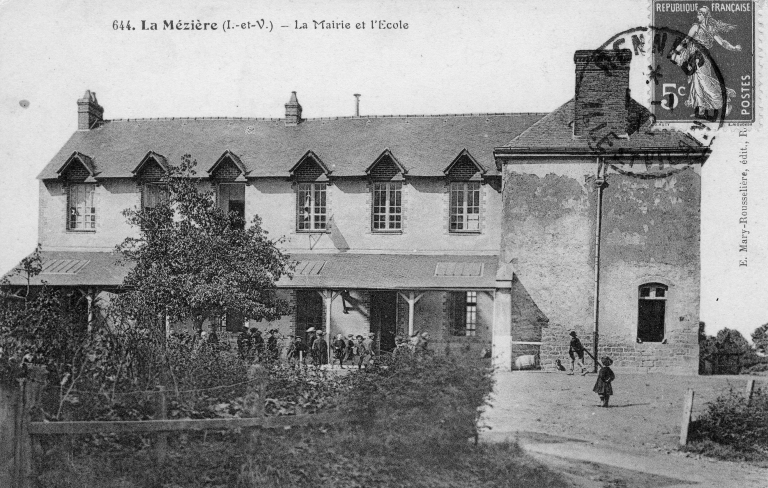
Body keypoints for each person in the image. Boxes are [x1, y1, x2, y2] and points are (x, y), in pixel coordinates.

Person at [670, 6, 740, 117]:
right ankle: (701, 110)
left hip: (703, 58)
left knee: (705, 83)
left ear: (705, 15)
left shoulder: (711, 29)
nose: (697, 15)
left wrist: (733, 48)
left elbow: (722, 42)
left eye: (700, 13)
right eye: (698, 13)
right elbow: (686, 41)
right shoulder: (695, 27)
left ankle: (725, 102)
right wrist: (675, 51)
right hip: (693, 58)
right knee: (696, 82)